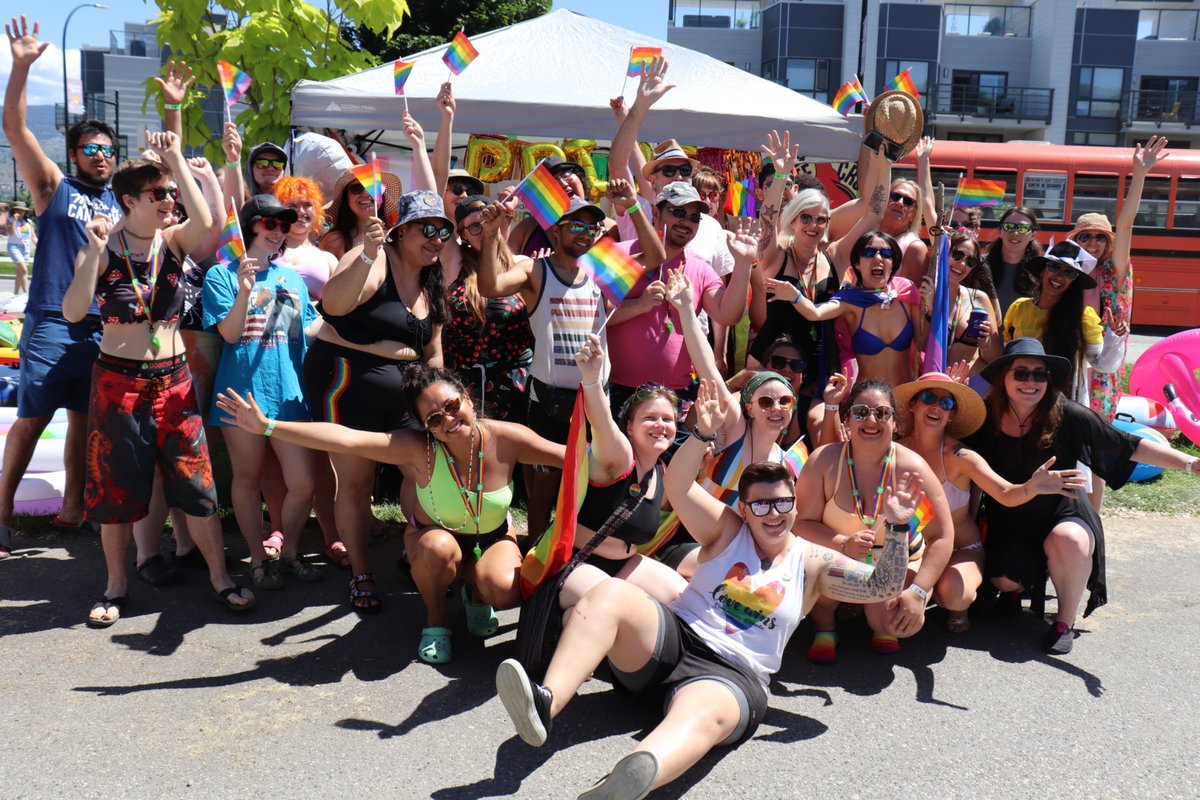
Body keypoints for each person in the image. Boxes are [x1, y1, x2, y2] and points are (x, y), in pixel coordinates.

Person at [493, 377, 919, 799]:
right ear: (744, 510)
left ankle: (626, 780)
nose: (773, 514)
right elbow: (679, 486)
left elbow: (883, 585)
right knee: (611, 594)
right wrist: (700, 435)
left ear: (794, 505)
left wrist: (898, 528)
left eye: (783, 503)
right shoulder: (727, 530)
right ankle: (545, 703)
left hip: (733, 674)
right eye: (761, 504)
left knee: (699, 716)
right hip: (672, 643)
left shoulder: (813, 562)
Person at [216, 364, 565, 664]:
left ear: (468, 398)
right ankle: (436, 619)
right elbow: (346, 439)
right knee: (437, 551)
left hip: (491, 538)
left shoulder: (506, 438)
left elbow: (573, 457)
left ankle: (474, 595)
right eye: (434, 418)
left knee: (504, 590)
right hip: (433, 538)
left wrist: (597, 412)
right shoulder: (417, 450)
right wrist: (268, 426)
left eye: (452, 405)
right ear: (426, 427)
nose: (448, 419)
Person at [63, 130, 253, 625]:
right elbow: (73, 311)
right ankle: (115, 585)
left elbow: (207, 220)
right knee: (115, 488)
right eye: (158, 193)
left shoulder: (172, 241)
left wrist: (175, 160)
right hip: (118, 383)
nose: (169, 200)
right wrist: (93, 252)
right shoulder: (103, 246)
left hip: (174, 379)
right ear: (130, 200)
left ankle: (220, 578)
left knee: (197, 483)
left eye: (171, 192)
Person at [966, 338, 1200, 654]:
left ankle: (1064, 622)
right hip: (1010, 516)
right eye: (1021, 373)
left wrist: (1189, 463)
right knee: (1004, 580)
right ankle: (1015, 588)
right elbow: (954, 452)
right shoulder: (985, 416)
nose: (1031, 382)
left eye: (1040, 374)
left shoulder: (1068, 414)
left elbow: (1127, 445)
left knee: (1069, 541)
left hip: (1062, 511)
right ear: (1002, 378)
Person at [0, 16, 124, 560]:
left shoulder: (121, 201)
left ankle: (74, 509)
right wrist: (21, 67)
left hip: (101, 326)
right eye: (91, 148)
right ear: (74, 154)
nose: (101, 156)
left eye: (108, 149)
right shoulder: (55, 187)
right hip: (52, 320)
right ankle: (2, 516)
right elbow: (14, 128)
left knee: (85, 422)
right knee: (31, 421)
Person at [477, 191, 663, 542]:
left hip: (594, 399)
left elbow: (655, 256)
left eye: (592, 229)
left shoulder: (600, 270)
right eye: (576, 225)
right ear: (556, 231)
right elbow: (490, 287)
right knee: (544, 488)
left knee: (593, 482)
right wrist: (489, 236)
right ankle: (536, 554)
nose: (585, 234)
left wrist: (634, 206)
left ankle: (576, 551)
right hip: (549, 398)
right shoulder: (536, 269)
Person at [305, 186, 448, 611]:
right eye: (427, 229)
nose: (437, 239)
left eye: (443, 231)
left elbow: (433, 349)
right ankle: (361, 572)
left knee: (422, 471)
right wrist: (367, 254)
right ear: (401, 231)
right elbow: (334, 304)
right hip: (347, 381)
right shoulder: (372, 257)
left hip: (408, 389)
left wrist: (438, 394)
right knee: (356, 482)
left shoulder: (432, 278)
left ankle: (413, 546)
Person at [894, 371, 1086, 632]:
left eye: (946, 403)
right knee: (892, 610)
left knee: (955, 594)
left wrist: (1032, 487)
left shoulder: (961, 456)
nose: (936, 407)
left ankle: (949, 600)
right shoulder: (894, 450)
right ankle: (925, 590)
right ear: (913, 404)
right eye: (928, 398)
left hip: (960, 548)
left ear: (951, 414)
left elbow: (1006, 493)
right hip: (911, 551)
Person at [791, 379, 953, 659]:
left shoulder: (912, 467)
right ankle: (825, 627)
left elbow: (942, 536)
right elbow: (800, 523)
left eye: (882, 413)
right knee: (810, 566)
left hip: (896, 562)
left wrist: (918, 591)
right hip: (838, 556)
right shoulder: (824, 461)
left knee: (892, 622)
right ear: (847, 420)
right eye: (861, 412)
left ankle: (882, 626)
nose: (871, 420)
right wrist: (842, 543)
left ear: (895, 423)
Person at [204, 194, 319, 591]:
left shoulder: (292, 278)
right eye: (271, 223)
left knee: (303, 483)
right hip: (242, 392)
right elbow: (229, 334)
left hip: (290, 394)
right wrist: (244, 290)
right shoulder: (221, 275)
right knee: (248, 478)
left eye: (284, 225)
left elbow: (312, 328)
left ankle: (289, 552)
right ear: (249, 225)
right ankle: (257, 559)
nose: (279, 231)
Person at [556, 335, 689, 609]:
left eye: (667, 419)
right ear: (630, 427)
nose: (660, 425)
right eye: (649, 418)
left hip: (624, 565)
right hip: (577, 562)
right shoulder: (620, 457)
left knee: (683, 600)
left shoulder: (662, 472)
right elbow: (602, 424)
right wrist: (591, 379)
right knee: (617, 605)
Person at [605, 181, 752, 415]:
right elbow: (593, 318)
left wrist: (744, 263)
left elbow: (728, 315)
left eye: (694, 218)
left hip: (678, 396)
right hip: (618, 391)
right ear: (656, 212)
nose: (686, 222)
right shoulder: (617, 254)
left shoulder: (700, 269)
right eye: (679, 212)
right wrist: (638, 305)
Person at [756, 136, 890, 384]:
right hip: (774, 366)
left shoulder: (835, 257)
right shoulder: (776, 258)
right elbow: (767, 220)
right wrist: (780, 176)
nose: (813, 225)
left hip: (820, 370)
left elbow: (874, 214)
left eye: (821, 220)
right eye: (806, 218)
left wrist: (886, 165)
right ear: (793, 221)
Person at [1071, 135, 1167, 421]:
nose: (1093, 242)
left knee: (1098, 425)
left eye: (1100, 237)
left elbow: (1125, 225)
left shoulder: (1115, 272)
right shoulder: (1065, 272)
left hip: (1104, 361)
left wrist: (1140, 174)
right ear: (1075, 241)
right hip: (1070, 358)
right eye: (1085, 236)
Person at [768, 229, 920, 389]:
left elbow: (924, 343)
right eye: (869, 253)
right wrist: (795, 296)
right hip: (868, 399)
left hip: (906, 395)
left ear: (893, 262)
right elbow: (815, 313)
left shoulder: (906, 292)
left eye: (886, 253)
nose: (878, 258)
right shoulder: (849, 301)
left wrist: (930, 307)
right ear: (857, 264)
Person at [442, 194, 534, 423]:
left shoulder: (522, 266)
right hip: (464, 385)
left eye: (488, 222)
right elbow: (434, 192)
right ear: (462, 235)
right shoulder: (455, 264)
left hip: (516, 384)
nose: (484, 230)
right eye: (475, 226)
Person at [1003, 240, 1124, 405]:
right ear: (1042, 272)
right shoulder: (1019, 308)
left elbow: (1103, 365)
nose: (1059, 277)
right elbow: (1007, 354)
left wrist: (1114, 337)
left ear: (1074, 282)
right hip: (1020, 395)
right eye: (1053, 267)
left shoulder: (1083, 317)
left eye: (1069, 273)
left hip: (1062, 403)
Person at [917, 230, 998, 375]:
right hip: (931, 381)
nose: (962, 264)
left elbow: (995, 359)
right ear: (943, 254)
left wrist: (985, 344)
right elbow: (919, 347)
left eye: (971, 261)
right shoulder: (923, 293)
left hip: (968, 384)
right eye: (957, 255)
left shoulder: (979, 298)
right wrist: (930, 311)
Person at [318, 168, 403, 260]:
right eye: (357, 189)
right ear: (346, 197)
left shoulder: (397, 237)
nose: (366, 193)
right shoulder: (334, 240)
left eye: (373, 187)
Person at [981, 205, 1042, 319]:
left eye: (1023, 228)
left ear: (1033, 235)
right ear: (1000, 231)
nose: (1015, 233)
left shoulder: (1042, 272)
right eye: (1009, 227)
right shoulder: (979, 265)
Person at [5, 202, 34, 295]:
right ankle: (27, 294)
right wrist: (14, 219)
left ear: (25, 212)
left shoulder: (28, 222)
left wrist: (41, 246)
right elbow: (11, 232)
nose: (19, 212)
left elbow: (33, 237)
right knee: (24, 270)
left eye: (22, 210)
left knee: (20, 272)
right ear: (14, 211)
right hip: (14, 247)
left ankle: (16, 294)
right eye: (17, 210)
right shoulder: (10, 220)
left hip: (25, 248)